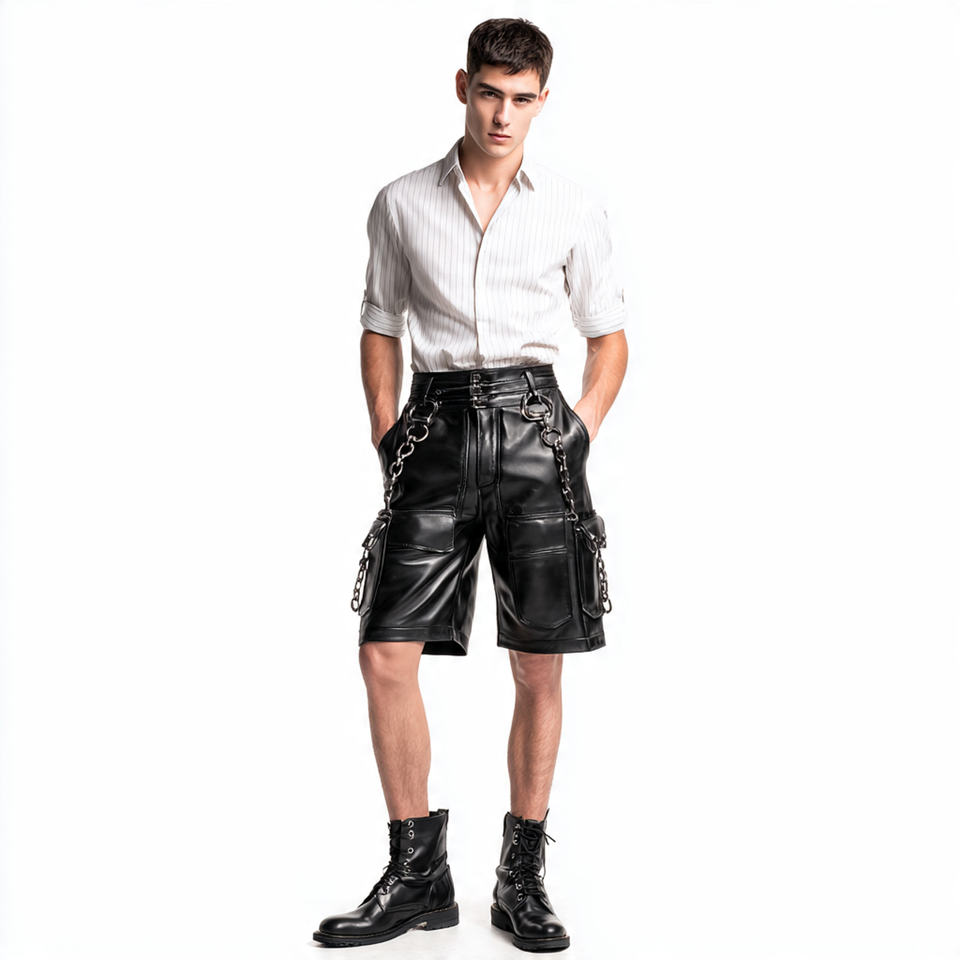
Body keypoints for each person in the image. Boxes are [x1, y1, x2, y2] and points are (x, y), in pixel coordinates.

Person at [313, 16, 628, 953]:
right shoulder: (401, 202)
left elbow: (608, 337)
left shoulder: (572, 206)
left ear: (542, 100)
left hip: (537, 430)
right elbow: (380, 322)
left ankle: (520, 877)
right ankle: (419, 875)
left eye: (522, 98)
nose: (502, 114)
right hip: (434, 428)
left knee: (539, 660)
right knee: (385, 652)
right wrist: (387, 432)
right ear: (463, 87)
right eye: (489, 92)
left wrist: (577, 430)